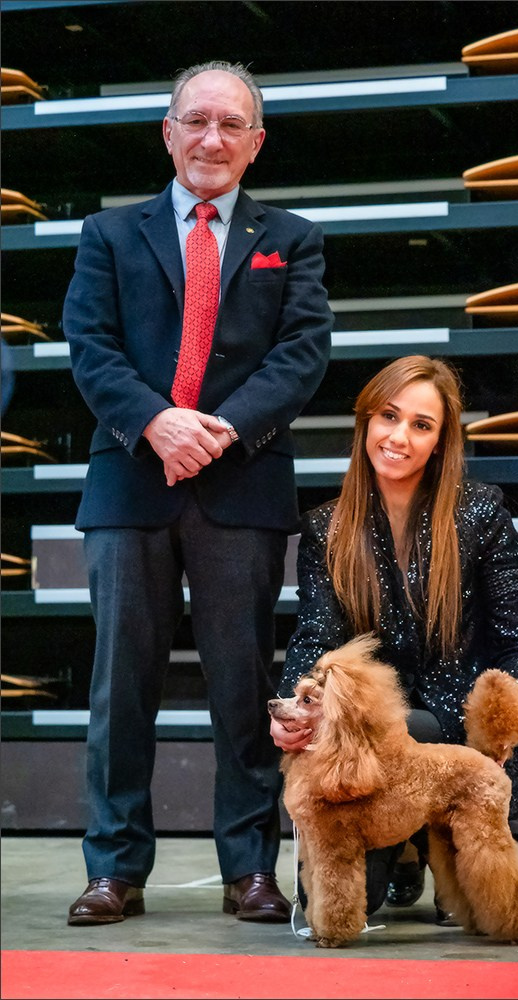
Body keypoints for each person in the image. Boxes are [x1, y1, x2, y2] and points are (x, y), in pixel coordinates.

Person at [63, 60, 333, 926]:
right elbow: (89, 344)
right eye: (197, 121)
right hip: (129, 484)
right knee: (120, 688)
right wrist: (155, 422)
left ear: (256, 143)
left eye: (231, 125)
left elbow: (302, 353)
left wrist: (214, 430)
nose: (212, 139)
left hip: (240, 485)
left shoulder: (293, 238)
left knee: (243, 689)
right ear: (168, 132)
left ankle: (250, 868)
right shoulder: (109, 234)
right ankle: (114, 869)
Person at [270, 355, 518, 920]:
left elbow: (516, 639)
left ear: (441, 442)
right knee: (341, 904)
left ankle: (417, 842)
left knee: (467, 911)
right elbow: (314, 637)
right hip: (369, 743)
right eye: (388, 416)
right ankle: (406, 850)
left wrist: (502, 727)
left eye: (421, 425)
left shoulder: (481, 513)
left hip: (457, 730)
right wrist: (295, 707)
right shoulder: (325, 527)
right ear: (366, 421)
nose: (398, 437)